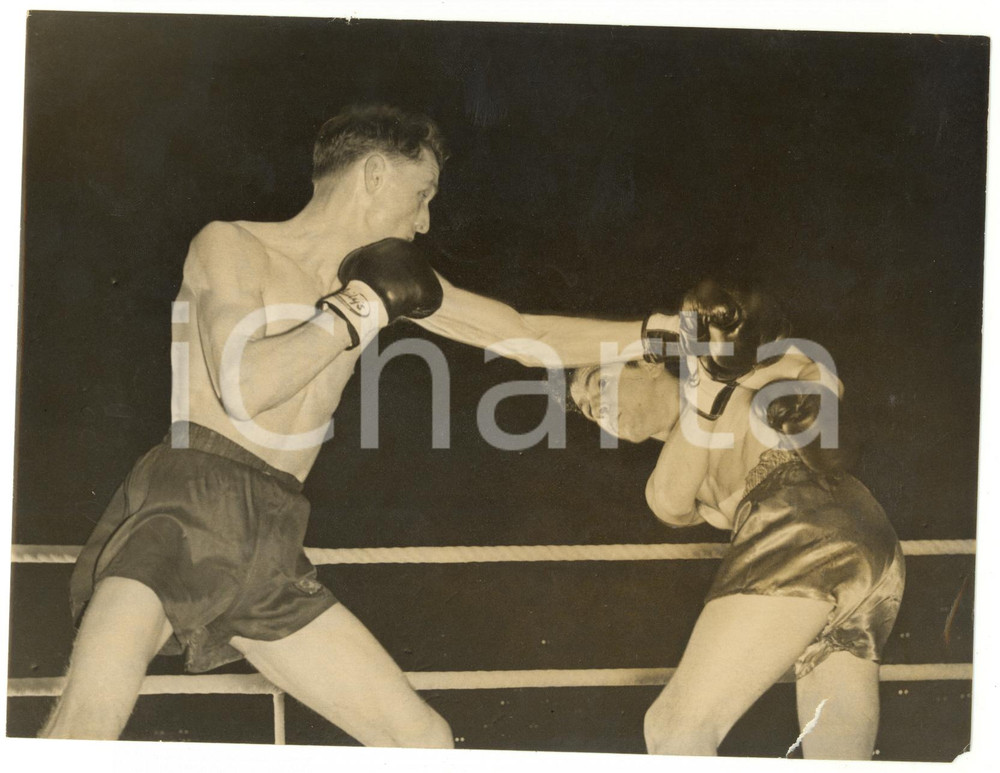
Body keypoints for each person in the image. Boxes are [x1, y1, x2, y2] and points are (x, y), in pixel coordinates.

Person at [42, 104, 659, 744]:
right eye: (421, 196)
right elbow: (243, 386)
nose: (424, 222)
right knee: (88, 722)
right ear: (372, 175)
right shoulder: (231, 245)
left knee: (422, 742)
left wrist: (659, 336)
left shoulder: (377, 278)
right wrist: (358, 308)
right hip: (185, 503)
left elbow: (525, 336)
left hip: (273, 527)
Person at [569, 280, 905, 760]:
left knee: (673, 727)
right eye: (586, 412)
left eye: (597, 384)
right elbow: (668, 498)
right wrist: (715, 379)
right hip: (865, 547)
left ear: (645, 362)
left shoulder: (735, 381)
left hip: (801, 525)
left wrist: (729, 367)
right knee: (834, 757)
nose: (598, 411)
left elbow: (812, 369)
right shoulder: (684, 459)